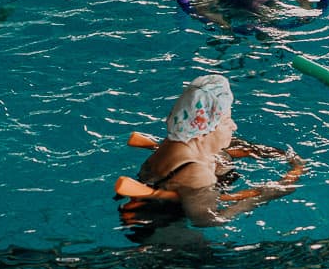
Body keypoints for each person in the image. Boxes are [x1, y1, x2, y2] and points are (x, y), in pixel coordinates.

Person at [126, 75, 302, 228]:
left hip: (155, 198)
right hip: (165, 232)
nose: (234, 126)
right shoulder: (197, 172)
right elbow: (209, 220)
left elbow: (226, 146)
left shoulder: (175, 140)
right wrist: (269, 192)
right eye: (226, 121)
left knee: (223, 160)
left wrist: (272, 153)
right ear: (204, 130)